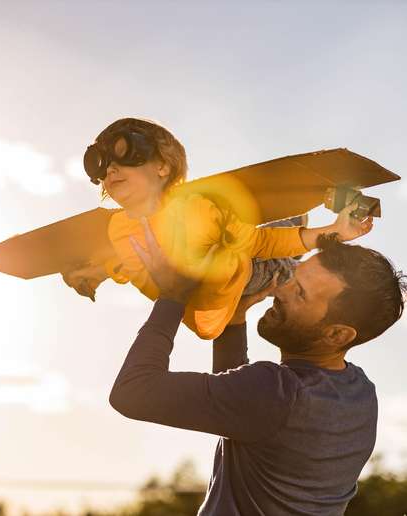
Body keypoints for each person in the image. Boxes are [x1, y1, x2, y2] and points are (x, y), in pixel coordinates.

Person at [109, 217, 406, 515]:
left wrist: (172, 296)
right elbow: (242, 410)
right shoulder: (360, 394)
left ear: (337, 334)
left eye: (299, 293)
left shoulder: (276, 393)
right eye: (293, 276)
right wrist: (235, 319)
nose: (280, 290)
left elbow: (132, 392)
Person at [62, 117, 373, 340]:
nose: (111, 170)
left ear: (162, 166)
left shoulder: (196, 209)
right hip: (228, 291)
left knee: (280, 259)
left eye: (124, 155)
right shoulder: (119, 229)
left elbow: (261, 243)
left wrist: (333, 232)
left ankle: (307, 218)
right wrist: (102, 272)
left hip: (247, 270)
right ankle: (298, 225)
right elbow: (142, 275)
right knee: (282, 269)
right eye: (100, 165)